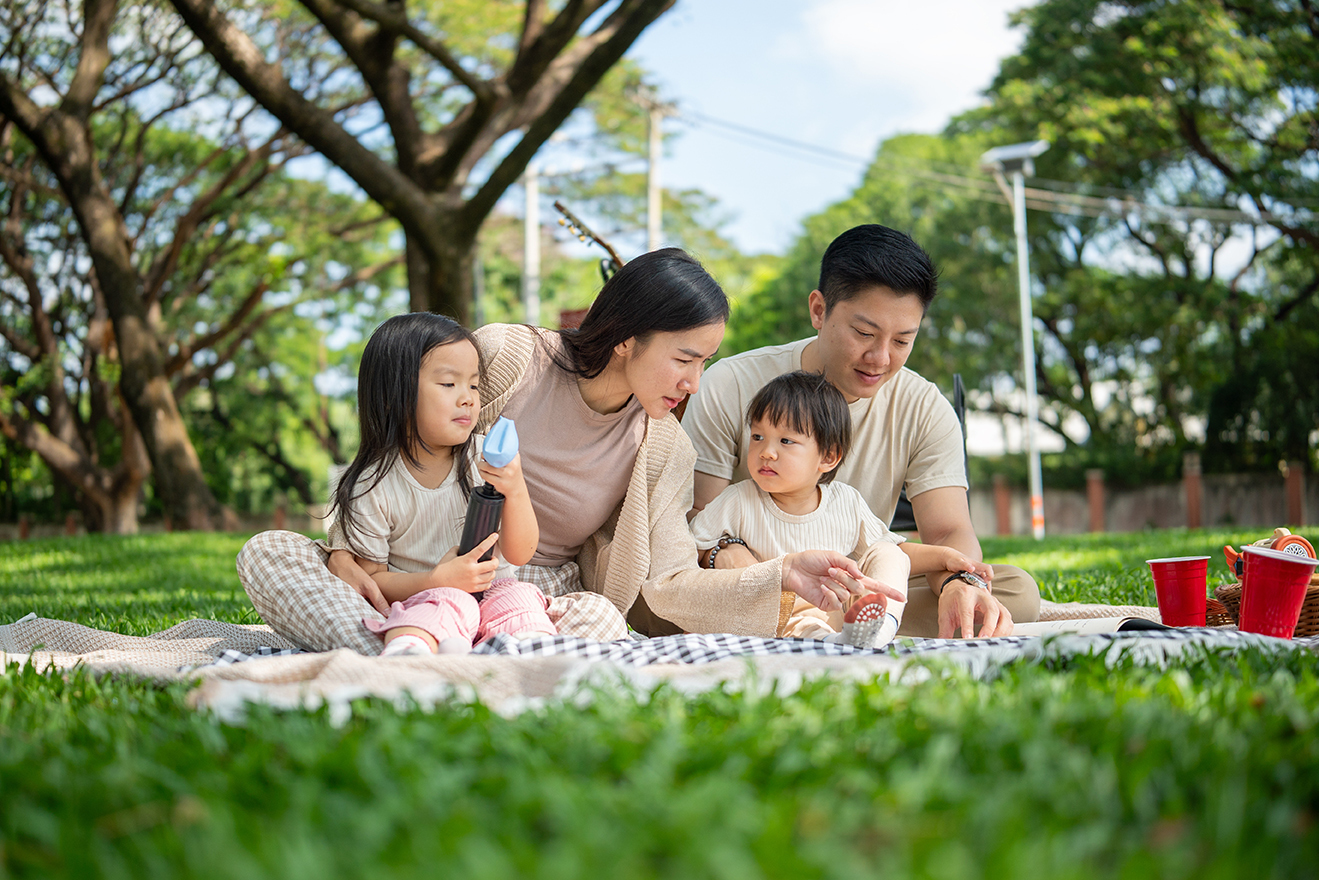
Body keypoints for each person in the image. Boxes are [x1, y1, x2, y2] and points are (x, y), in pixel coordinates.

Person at [243, 248, 904, 654]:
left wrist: (780, 572)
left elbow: (672, 583)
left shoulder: (663, 445)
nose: (691, 383)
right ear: (625, 339)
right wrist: (343, 547)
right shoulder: (508, 357)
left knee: (598, 624)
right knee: (268, 554)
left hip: (529, 591)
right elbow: (400, 422)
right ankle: (422, 641)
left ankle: (430, 650)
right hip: (405, 568)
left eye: (702, 363)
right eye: (683, 359)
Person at [683, 225, 1040, 639]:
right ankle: (827, 625)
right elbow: (696, 519)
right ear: (819, 310)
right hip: (751, 583)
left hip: (858, 588)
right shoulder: (732, 383)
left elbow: (947, 531)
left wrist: (962, 584)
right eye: (864, 334)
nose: (880, 358)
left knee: (1017, 590)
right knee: (666, 593)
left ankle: (863, 624)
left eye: (903, 340)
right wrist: (735, 561)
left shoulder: (924, 407)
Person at [240, 313, 556, 656]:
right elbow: (373, 581)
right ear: (395, 395)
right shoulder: (372, 484)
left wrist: (516, 489)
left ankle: (529, 652)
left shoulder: (486, 459)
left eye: (474, 385)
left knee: (523, 597)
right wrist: (438, 581)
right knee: (443, 604)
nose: (467, 398)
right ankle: (417, 651)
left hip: (495, 596)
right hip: (423, 600)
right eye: (449, 384)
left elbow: (520, 553)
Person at [690, 371, 994, 648]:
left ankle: (878, 627)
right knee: (799, 616)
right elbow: (690, 547)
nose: (766, 452)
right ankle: (834, 642)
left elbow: (895, 550)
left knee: (888, 554)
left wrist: (947, 558)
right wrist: (720, 556)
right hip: (779, 617)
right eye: (757, 437)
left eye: (786, 441)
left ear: (828, 456)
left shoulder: (845, 502)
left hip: (843, 607)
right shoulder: (738, 500)